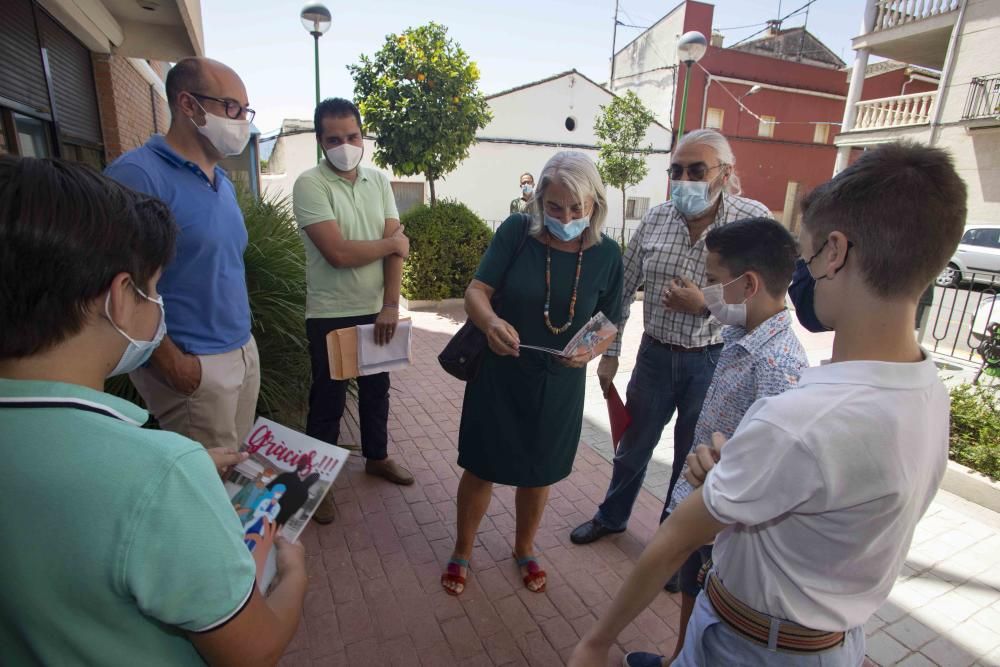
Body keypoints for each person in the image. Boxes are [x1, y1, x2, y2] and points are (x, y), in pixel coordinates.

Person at [568, 142, 967, 667]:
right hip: (822, 639)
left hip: (748, 646)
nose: (798, 273)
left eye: (804, 255)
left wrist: (595, 643)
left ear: (835, 252)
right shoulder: (927, 391)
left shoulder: (798, 418)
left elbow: (677, 539)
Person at [0, 156, 307, 665]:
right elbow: (254, 650)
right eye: (156, 286)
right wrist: (294, 573)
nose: (157, 304)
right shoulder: (163, 476)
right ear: (121, 297)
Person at [570, 130, 769, 571]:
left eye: (696, 170)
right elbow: (620, 292)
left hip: (713, 362)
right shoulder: (656, 219)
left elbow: (766, 299)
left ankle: (671, 548)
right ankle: (612, 517)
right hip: (655, 356)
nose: (684, 180)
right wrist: (610, 353)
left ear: (725, 173)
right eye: (676, 171)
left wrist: (707, 306)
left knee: (690, 461)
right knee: (633, 447)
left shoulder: (751, 222)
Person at [626, 217, 809, 666]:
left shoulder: (779, 366)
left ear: (748, 285)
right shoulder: (741, 334)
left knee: (705, 588)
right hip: (706, 495)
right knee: (691, 585)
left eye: (712, 281)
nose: (706, 292)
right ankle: (678, 657)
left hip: (724, 517)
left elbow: (769, 472)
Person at [441, 152, 624, 596]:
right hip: (500, 374)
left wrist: (591, 351)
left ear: (595, 205)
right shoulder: (517, 232)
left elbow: (610, 321)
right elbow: (476, 292)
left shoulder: (607, 254)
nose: (565, 217)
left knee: (538, 472)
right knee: (481, 466)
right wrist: (490, 323)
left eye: (576, 208)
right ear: (540, 199)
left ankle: (524, 547)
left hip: (559, 382)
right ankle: (462, 550)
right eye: (555, 206)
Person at [104, 57, 260, 452]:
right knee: (208, 490)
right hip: (194, 366)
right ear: (188, 105)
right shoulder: (138, 176)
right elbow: (116, 281)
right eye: (231, 108)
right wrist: (171, 361)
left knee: (235, 472)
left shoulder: (220, 181)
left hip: (240, 352)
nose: (241, 120)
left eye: (245, 110)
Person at [292, 97, 413, 525]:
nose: (345, 144)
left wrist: (390, 305)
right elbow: (338, 253)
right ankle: (314, 483)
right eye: (334, 139)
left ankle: (377, 458)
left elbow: (396, 254)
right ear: (321, 142)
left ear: (363, 135)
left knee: (377, 392)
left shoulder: (379, 181)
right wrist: (392, 243)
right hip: (329, 313)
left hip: (376, 310)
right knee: (327, 400)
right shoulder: (310, 184)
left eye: (352, 136)